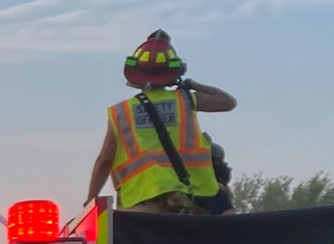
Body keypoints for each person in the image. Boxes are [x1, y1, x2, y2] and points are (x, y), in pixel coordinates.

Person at [87, 31, 237, 215]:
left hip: (142, 203)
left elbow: (105, 161)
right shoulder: (185, 100)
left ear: (134, 72)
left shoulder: (121, 112)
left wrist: (90, 201)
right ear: (175, 71)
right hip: (190, 198)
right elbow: (228, 102)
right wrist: (191, 84)